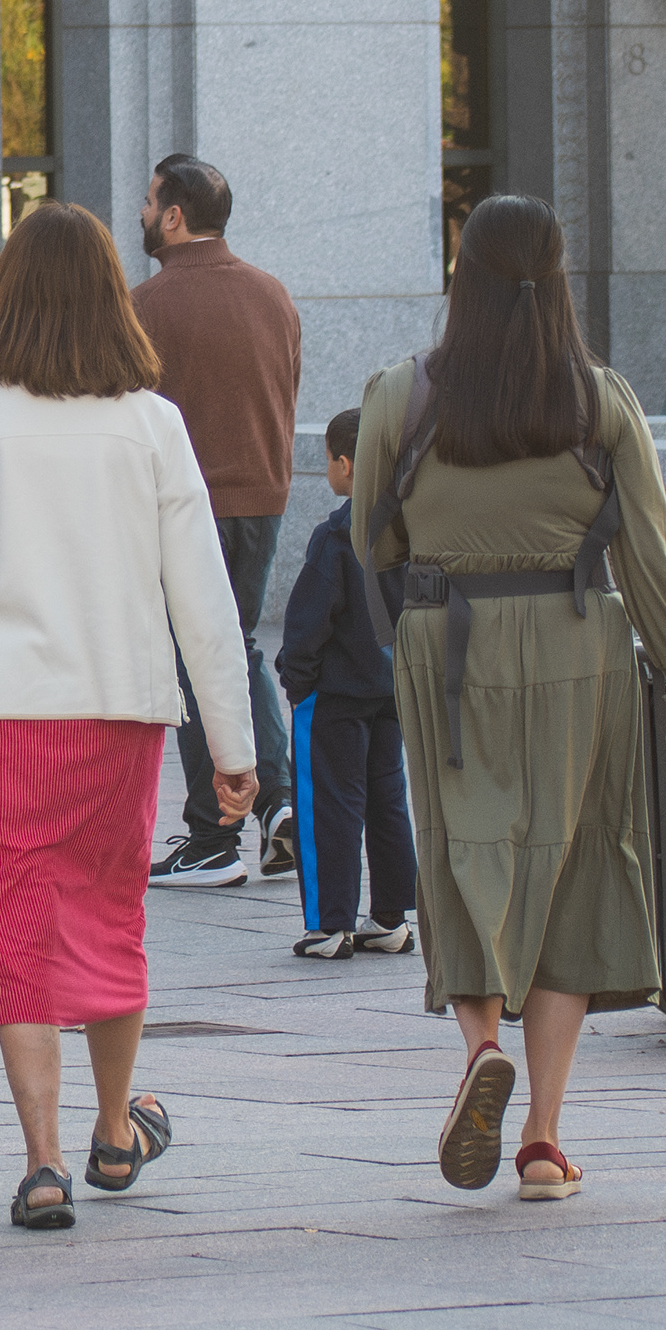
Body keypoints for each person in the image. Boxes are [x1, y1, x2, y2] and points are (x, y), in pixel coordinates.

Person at [0, 203, 254, 1229]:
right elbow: (202, 596)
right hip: (118, 713)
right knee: (105, 913)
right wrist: (232, 743)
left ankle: (42, 1160)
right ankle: (116, 1126)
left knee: (9, 927)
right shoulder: (153, 424)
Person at [355, 194, 666, 1206]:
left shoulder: (402, 395)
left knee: (463, 850)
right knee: (575, 867)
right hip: (578, 642)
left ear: (460, 277)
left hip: (447, 644)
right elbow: (650, 555)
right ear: (559, 281)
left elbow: (372, 542)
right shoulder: (598, 399)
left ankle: (481, 1045)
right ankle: (546, 1141)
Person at [127, 152, 299, 888]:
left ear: (173, 215)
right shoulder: (272, 294)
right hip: (261, 498)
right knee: (235, 649)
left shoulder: (145, 306)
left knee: (196, 660)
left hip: (181, 505)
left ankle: (213, 836)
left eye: (148, 201)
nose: (140, 213)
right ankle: (280, 804)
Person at [276, 409, 417, 963]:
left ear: (346, 463)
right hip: (392, 689)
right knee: (389, 801)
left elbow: (310, 618)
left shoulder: (337, 533)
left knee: (328, 805)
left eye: (330, 461)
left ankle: (328, 923)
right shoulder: (413, 529)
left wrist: (298, 678)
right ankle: (390, 917)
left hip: (334, 693)